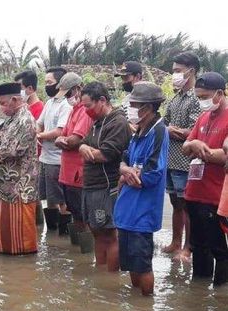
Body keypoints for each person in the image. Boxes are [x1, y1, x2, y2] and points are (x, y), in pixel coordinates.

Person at [115, 82, 169, 296]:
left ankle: (146, 306)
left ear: (147, 108)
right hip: (127, 209)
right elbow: (124, 160)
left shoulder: (158, 132)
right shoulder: (139, 131)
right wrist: (125, 170)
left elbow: (152, 173)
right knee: (130, 264)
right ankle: (135, 305)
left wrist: (128, 174)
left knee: (142, 264)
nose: (130, 108)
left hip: (142, 213)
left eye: (134, 104)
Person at [182, 72, 228, 286]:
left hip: (215, 195)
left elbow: (224, 155)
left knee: (219, 249)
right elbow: (185, 147)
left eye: (205, 97)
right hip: (194, 191)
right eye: (198, 97)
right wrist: (194, 145)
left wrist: (203, 149)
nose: (202, 102)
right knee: (198, 245)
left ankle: (219, 293)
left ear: (219, 93)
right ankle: (199, 292)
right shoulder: (203, 117)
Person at [79, 82, 131, 264]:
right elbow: (83, 143)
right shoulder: (97, 122)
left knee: (108, 234)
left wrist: (89, 152)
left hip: (106, 186)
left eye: (88, 105)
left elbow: (106, 154)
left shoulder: (118, 122)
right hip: (91, 185)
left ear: (102, 100)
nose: (86, 110)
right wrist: (85, 147)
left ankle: (110, 278)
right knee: (96, 231)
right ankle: (100, 275)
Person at [0, 82, 39, 255]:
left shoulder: (25, 120)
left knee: (20, 245)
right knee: (5, 237)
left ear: (15, 99)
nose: (1, 108)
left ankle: (21, 271)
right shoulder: (11, 118)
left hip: (19, 187)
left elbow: (11, 150)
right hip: (6, 184)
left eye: (3, 103)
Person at [163, 52, 202, 261]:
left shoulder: (197, 98)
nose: (174, 75)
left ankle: (188, 247)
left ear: (191, 71)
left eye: (178, 71)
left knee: (187, 205)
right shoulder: (175, 97)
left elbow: (194, 131)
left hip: (186, 162)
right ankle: (175, 242)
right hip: (171, 159)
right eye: (174, 71)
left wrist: (173, 130)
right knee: (175, 203)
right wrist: (174, 130)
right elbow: (165, 123)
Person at [55, 73, 93, 243]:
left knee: (83, 216)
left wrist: (64, 141)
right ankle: (78, 255)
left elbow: (74, 140)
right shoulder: (73, 111)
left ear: (78, 89)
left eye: (69, 94)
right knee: (75, 214)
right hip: (67, 174)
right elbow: (62, 137)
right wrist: (64, 141)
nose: (68, 98)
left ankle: (86, 259)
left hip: (78, 173)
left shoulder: (85, 111)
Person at [37, 67, 71, 233]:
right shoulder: (50, 103)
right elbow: (39, 122)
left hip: (57, 160)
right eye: (46, 83)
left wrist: (40, 135)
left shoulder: (66, 105)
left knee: (61, 199)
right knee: (49, 198)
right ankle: (51, 235)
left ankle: (64, 233)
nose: (47, 86)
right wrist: (39, 132)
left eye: (50, 83)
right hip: (44, 158)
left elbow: (60, 131)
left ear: (60, 84)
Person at [15, 70, 45, 225]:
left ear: (30, 89)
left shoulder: (40, 109)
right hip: (24, 161)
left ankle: (38, 231)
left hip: (36, 159)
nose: (18, 91)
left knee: (34, 198)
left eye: (20, 87)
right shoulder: (22, 109)